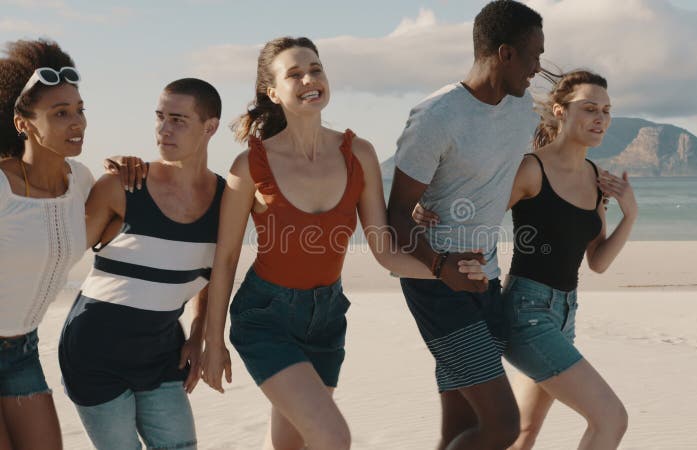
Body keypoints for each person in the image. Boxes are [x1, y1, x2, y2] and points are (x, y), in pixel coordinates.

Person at [199, 36, 486, 450]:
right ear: (272, 91)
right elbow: (224, 258)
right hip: (266, 317)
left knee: (289, 442)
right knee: (332, 437)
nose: (309, 79)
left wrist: (443, 269)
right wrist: (214, 340)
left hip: (328, 317)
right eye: (294, 74)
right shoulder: (250, 165)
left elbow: (385, 250)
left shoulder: (360, 155)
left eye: (316, 68)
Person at [414, 70, 636, 449]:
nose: (600, 118)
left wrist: (629, 214)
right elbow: (476, 211)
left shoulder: (596, 178)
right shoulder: (531, 169)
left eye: (606, 110)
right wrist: (425, 207)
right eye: (589, 108)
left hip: (565, 314)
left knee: (525, 432)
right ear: (560, 112)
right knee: (611, 418)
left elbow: (597, 261)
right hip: (526, 313)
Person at [386, 1, 545, 449]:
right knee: (502, 425)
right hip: (437, 284)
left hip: (486, 278)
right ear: (505, 53)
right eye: (533, 54)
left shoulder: (522, 106)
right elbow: (397, 212)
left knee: (460, 426)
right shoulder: (436, 116)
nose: (538, 66)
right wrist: (441, 267)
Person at [58, 78, 225, 450]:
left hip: (163, 352)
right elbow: (57, 255)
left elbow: (215, 275)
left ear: (210, 127)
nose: (164, 129)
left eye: (179, 120)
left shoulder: (225, 203)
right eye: (160, 117)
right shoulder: (122, 186)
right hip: (92, 353)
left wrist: (198, 336)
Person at [0, 39, 94, 450]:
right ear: (24, 124)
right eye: (60, 113)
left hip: (23, 349)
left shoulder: (82, 182)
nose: (77, 123)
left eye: (79, 110)